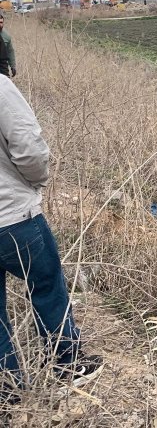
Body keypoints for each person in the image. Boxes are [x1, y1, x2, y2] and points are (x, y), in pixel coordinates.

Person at [0, 75, 102, 397]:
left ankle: (8, 392)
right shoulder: (0, 87)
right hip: (13, 217)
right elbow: (30, 151)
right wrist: (36, 182)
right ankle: (68, 364)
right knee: (46, 285)